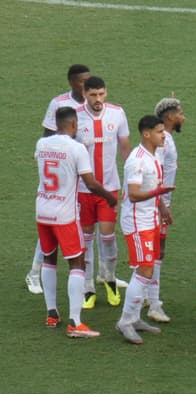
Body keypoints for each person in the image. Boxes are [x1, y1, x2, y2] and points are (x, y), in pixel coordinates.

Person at [35, 106, 117, 338]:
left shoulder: (41, 145)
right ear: (73, 125)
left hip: (42, 210)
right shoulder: (76, 148)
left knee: (49, 259)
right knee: (77, 263)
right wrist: (110, 197)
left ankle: (52, 313)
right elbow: (90, 183)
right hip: (65, 215)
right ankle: (75, 322)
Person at [26, 64, 91, 295]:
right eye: (83, 81)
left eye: (89, 80)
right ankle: (34, 272)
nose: (86, 85)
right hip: (62, 172)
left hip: (85, 170)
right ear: (72, 82)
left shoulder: (93, 103)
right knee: (53, 219)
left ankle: (96, 277)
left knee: (88, 222)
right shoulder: (59, 103)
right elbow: (46, 137)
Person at [116, 115, 174, 344]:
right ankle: (125, 322)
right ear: (147, 134)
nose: (164, 135)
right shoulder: (137, 160)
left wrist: (162, 208)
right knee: (145, 270)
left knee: (144, 270)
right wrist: (159, 194)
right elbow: (134, 193)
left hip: (149, 219)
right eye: (160, 131)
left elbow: (153, 187)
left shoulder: (153, 156)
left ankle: (134, 317)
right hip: (137, 222)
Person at [75, 76, 132, 309]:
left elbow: (126, 150)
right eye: (93, 95)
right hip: (83, 189)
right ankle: (87, 286)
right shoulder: (75, 116)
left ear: (106, 93)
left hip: (109, 188)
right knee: (86, 239)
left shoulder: (117, 113)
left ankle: (109, 278)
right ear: (85, 94)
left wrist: (130, 183)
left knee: (107, 236)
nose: (98, 99)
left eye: (101, 94)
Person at [145, 97, 186, 323]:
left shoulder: (164, 138)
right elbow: (155, 172)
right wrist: (162, 205)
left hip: (156, 201)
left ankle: (144, 293)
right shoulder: (164, 141)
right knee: (157, 250)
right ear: (169, 116)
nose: (183, 117)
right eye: (180, 113)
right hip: (155, 203)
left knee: (152, 249)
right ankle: (154, 302)